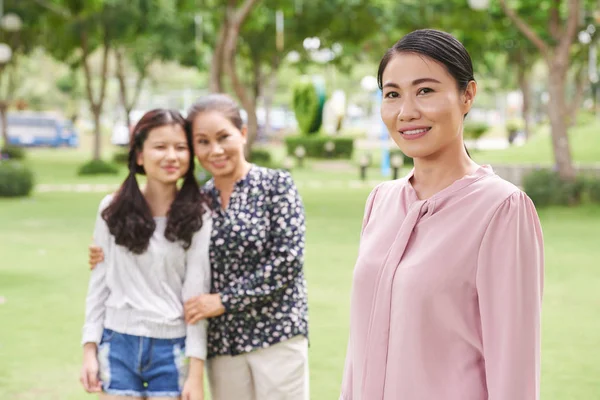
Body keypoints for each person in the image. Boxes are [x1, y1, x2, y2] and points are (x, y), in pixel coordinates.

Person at [340, 29, 544, 400]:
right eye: (392, 94)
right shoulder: (380, 202)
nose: (406, 112)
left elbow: (514, 366)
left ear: (467, 95)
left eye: (425, 91)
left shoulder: (502, 210)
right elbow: (360, 350)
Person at [89, 94, 310, 400]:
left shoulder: (276, 186)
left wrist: (224, 300)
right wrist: (106, 253)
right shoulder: (197, 203)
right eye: (203, 142)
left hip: (275, 337)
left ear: (242, 135)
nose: (215, 150)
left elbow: (287, 261)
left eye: (223, 137)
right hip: (223, 344)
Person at [80, 109, 211, 400]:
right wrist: (89, 349)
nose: (171, 156)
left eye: (180, 148)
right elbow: (99, 285)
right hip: (117, 344)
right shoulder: (110, 209)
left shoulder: (199, 215)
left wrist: (196, 374)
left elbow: (196, 297)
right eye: (160, 147)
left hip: (172, 348)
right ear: (139, 155)